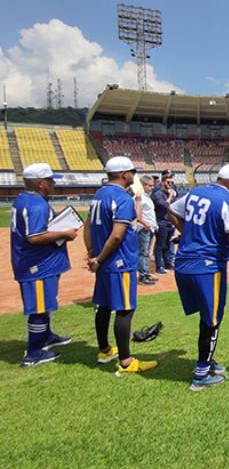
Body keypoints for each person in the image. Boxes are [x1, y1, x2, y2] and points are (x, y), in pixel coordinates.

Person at [170, 164, 229, 391]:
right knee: (212, 321)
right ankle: (201, 375)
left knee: (207, 318)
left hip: (183, 263)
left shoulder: (195, 192)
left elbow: (172, 210)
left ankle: (208, 358)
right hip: (208, 267)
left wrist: (187, 233)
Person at [85, 156, 158, 375]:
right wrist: (98, 258)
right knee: (125, 309)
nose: (134, 176)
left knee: (104, 306)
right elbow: (117, 236)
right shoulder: (123, 199)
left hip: (104, 262)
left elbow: (87, 226)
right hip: (120, 261)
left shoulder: (98, 195)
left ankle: (105, 350)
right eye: (132, 172)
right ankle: (126, 361)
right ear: (125, 174)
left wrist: (93, 255)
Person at [11, 163, 77, 366]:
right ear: (40, 183)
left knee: (45, 304)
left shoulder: (25, 199)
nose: (53, 183)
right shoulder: (36, 204)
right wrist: (64, 233)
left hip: (38, 262)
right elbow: (34, 236)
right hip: (37, 265)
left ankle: (46, 336)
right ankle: (33, 352)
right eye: (50, 180)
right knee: (39, 307)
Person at [134, 175, 158, 285]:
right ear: (143, 185)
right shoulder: (139, 198)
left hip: (150, 228)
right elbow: (137, 214)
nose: (152, 187)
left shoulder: (147, 197)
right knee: (143, 253)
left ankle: (145, 272)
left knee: (147, 252)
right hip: (143, 229)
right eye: (150, 185)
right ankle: (142, 276)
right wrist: (145, 224)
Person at [152, 173, 176, 274]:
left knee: (167, 244)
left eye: (172, 182)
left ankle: (168, 263)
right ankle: (159, 266)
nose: (170, 184)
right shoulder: (158, 194)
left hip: (170, 222)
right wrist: (171, 196)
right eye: (168, 182)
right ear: (163, 182)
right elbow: (165, 205)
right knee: (160, 245)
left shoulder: (171, 193)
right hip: (161, 222)